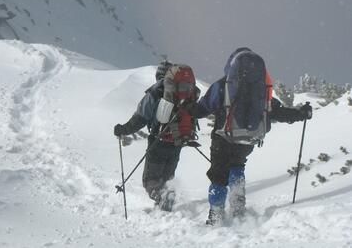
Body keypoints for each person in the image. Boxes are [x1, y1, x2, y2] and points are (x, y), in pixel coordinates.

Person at [186, 47, 313, 225]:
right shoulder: (260, 90)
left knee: (218, 175)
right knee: (238, 167)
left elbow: (202, 109)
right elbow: (276, 111)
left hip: (223, 138)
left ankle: (216, 215)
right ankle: (238, 207)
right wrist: (301, 113)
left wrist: (187, 108)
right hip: (248, 139)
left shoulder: (223, 85)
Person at [113, 61, 199, 211]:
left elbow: (140, 118)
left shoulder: (156, 91)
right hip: (179, 141)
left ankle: (163, 197)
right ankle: (165, 205)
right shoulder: (187, 90)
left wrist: (123, 129)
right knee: (167, 178)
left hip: (159, 141)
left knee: (150, 180)